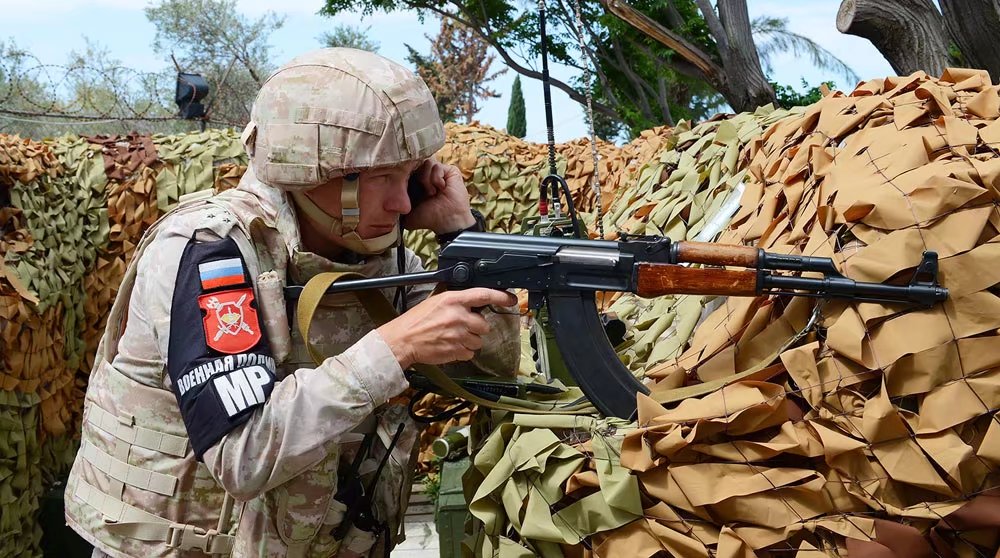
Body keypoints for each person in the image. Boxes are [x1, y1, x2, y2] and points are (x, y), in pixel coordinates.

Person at [64, 47, 520, 558]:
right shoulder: (211, 252)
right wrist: (394, 349)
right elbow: (242, 455)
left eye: (411, 174)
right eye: (383, 178)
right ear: (311, 172)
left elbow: (497, 365)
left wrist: (461, 237)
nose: (404, 203)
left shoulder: (381, 260)